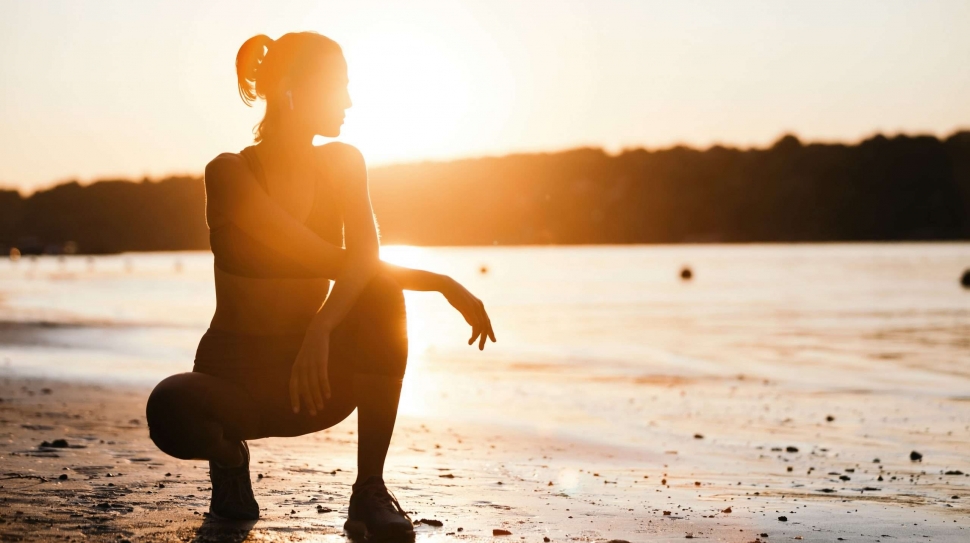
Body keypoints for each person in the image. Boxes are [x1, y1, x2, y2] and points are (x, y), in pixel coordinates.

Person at [145, 31, 495, 541]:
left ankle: (369, 492)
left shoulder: (343, 162)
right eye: (339, 85)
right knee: (169, 410)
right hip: (237, 382)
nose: (350, 100)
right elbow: (331, 258)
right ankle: (228, 456)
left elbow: (365, 262)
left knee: (379, 294)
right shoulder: (231, 173)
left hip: (312, 380)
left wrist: (323, 326)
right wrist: (440, 281)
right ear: (292, 89)